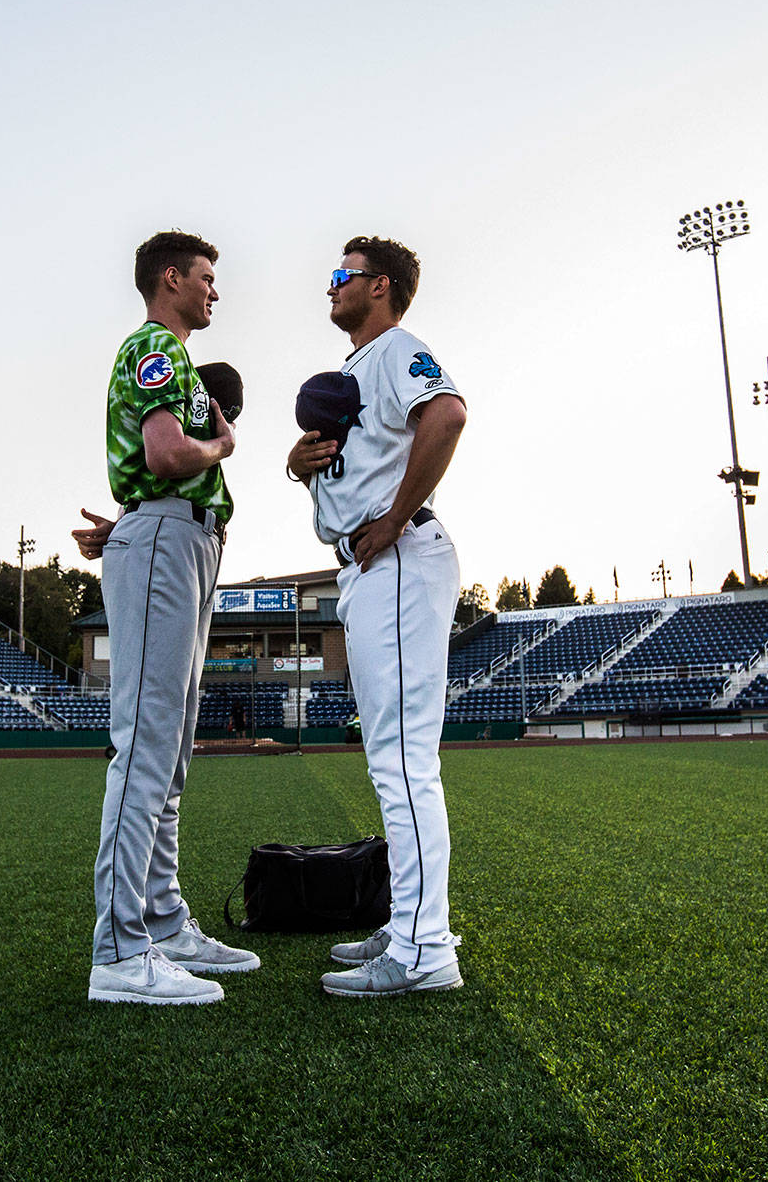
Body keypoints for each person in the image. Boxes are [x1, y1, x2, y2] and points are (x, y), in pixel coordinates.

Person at [71, 231, 260, 1005]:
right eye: (207, 278)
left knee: (172, 747)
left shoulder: (171, 356)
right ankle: (119, 953)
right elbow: (167, 457)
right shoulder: (156, 345)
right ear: (171, 278)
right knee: (147, 744)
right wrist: (223, 443)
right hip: (168, 532)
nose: (215, 291)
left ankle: (160, 918)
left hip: (176, 538)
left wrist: (131, 528)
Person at [287, 236, 469, 997]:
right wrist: (299, 468)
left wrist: (393, 519)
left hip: (396, 557)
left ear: (382, 288)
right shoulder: (356, 370)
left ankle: (427, 954)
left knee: (400, 761)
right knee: (392, 758)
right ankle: (410, 925)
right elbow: (354, 468)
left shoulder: (396, 348)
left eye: (344, 276)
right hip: (370, 564)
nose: (331, 285)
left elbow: (449, 415)